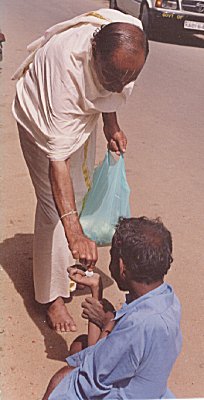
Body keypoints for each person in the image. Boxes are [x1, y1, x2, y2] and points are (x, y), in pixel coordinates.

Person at [12, 8, 149, 332]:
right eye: (114, 78)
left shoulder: (128, 34)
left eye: (129, 78)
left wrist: (110, 124)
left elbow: (113, 90)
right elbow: (56, 162)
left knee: (79, 189)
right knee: (52, 209)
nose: (122, 86)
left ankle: (65, 256)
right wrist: (74, 233)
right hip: (39, 117)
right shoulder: (64, 79)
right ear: (92, 54)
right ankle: (51, 297)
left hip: (77, 115)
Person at [42, 216, 182, 400]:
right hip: (149, 388)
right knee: (79, 346)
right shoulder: (165, 298)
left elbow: (93, 377)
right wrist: (96, 290)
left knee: (62, 379)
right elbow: (100, 352)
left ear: (122, 266)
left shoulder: (138, 325)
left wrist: (108, 323)